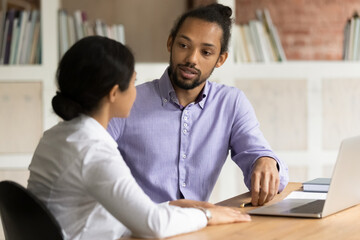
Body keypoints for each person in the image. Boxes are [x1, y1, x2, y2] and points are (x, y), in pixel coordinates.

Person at [27, 36, 251, 240]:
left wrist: (169, 206)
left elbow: (98, 214)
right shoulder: (92, 150)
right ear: (114, 93)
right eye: (132, 83)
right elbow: (153, 225)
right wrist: (206, 215)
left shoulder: (59, 135)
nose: (136, 92)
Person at [107, 3, 289, 206]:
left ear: (220, 59)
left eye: (206, 52)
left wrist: (265, 160)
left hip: (198, 229)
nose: (191, 59)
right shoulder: (128, 101)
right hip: (138, 230)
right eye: (183, 46)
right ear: (170, 43)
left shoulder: (230, 103)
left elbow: (269, 170)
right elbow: (91, 163)